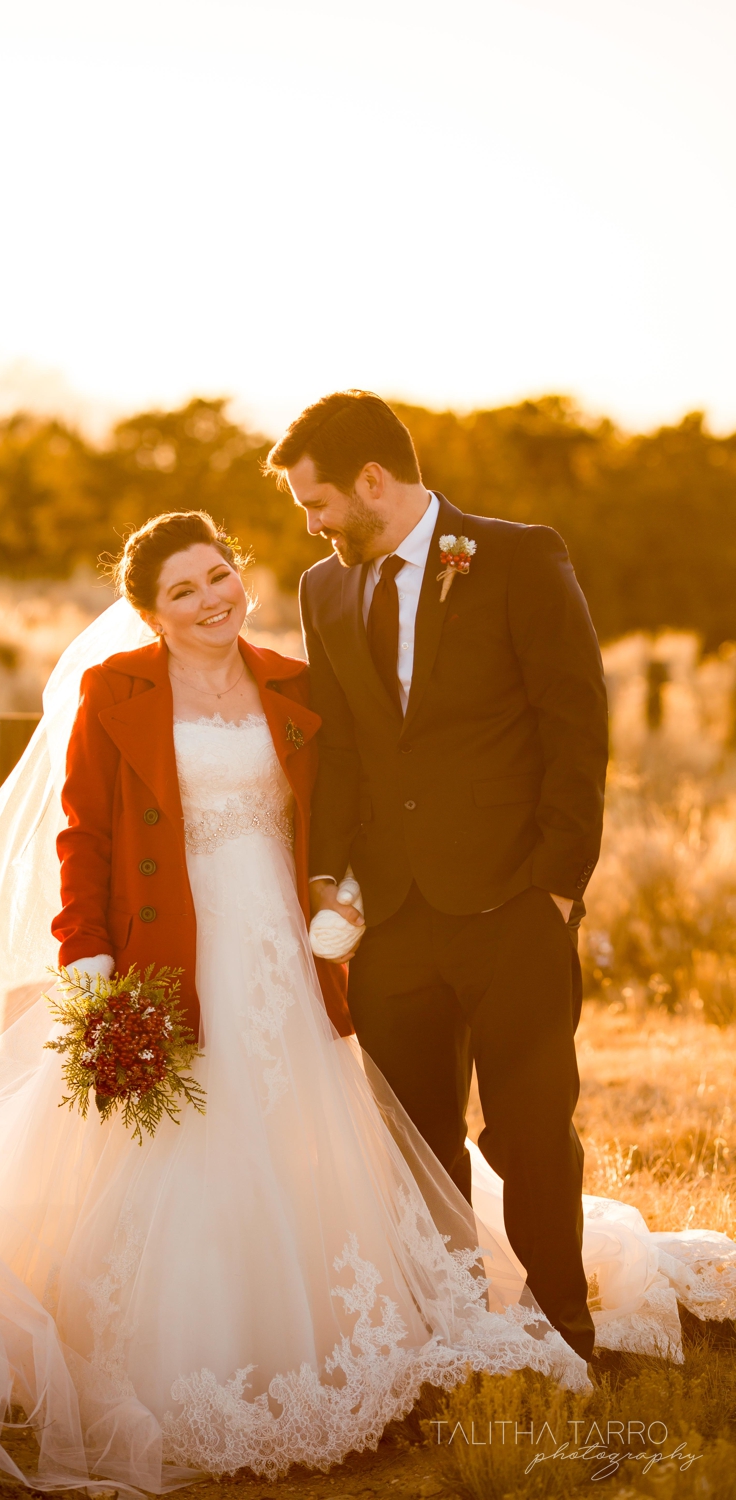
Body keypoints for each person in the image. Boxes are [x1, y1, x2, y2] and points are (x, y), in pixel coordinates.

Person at [0, 507, 734, 1494]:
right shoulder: (112, 694)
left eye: (218, 576)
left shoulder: (294, 683)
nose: (211, 601)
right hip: (169, 960)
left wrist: (348, 907)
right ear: (150, 616)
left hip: (290, 957)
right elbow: (84, 841)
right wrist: (90, 967)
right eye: (183, 592)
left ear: (239, 573)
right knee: (181, 1150)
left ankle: (349, 1354)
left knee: (309, 1139)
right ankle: (197, 1362)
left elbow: (353, 816)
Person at [266, 389, 609, 1360]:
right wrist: (333, 889)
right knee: (416, 1142)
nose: (311, 523)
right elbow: (337, 756)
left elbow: (575, 724)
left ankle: (561, 1330)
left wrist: (555, 887)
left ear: (372, 481)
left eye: (317, 501)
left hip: (513, 904)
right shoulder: (322, 590)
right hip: (394, 917)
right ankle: (455, 1330)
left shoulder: (515, 556)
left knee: (532, 1131)